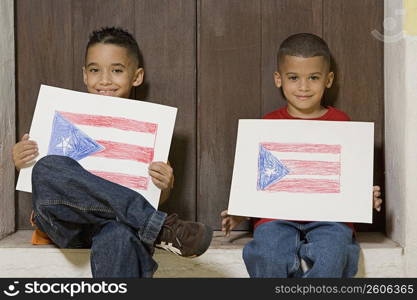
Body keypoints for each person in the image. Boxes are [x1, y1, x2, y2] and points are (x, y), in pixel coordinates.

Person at [12, 27, 213, 278]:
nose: (105, 80)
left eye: (117, 70)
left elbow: (154, 198)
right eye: (95, 70)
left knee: (119, 236)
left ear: (137, 76)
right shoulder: (61, 113)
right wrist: (25, 163)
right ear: (85, 75)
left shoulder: (149, 130)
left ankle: (154, 227)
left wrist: (165, 185)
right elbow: (45, 185)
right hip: (68, 224)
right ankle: (161, 229)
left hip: (120, 226)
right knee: (47, 167)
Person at [220, 33, 383, 278]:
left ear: (328, 80)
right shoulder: (267, 125)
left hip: (330, 217)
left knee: (334, 253)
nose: (303, 87)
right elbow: (259, 183)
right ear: (279, 79)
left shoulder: (343, 123)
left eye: (313, 78)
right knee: (268, 253)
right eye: (294, 78)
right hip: (275, 217)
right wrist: (241, 211)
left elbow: (349, 180)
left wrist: (362, 198)